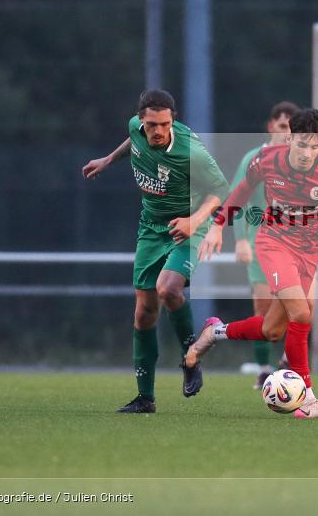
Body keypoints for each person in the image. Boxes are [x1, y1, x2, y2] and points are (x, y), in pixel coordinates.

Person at [185, 108, 318, 418]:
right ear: (289, 139)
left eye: (314, 146)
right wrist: (218, 225)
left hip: (309, 249)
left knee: (272, 330)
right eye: (302, 144)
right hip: (273, 242)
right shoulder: (266, 160)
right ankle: (307, 401)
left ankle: (214, 332)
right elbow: (241, 191)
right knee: (302, 313)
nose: (307, 153)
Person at [82, 89, 229, 413]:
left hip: (189, 225)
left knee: (168, 288)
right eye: (151, 125)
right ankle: (145, 398)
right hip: (151, 227)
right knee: (144, 311)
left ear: (173, 120)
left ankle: (191, 355)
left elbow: (221, 189)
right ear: (142, 121)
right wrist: (108, 159)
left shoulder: (191, 152)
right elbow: (132, 140)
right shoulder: (136, 127)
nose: (158, 131)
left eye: (164, 124)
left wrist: (194, 221)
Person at [231, 101, 297, 388]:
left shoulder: (303, 160)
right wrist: (241, 240)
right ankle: (264, 370)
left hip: (296, 245)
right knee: (264, 310)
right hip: (261, 245)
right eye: (283, 126)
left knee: (300, 308)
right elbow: (237, 200)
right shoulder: (253, 159)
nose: (287, 132)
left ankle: (288, 365)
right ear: (271, 127)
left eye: (293, 128)